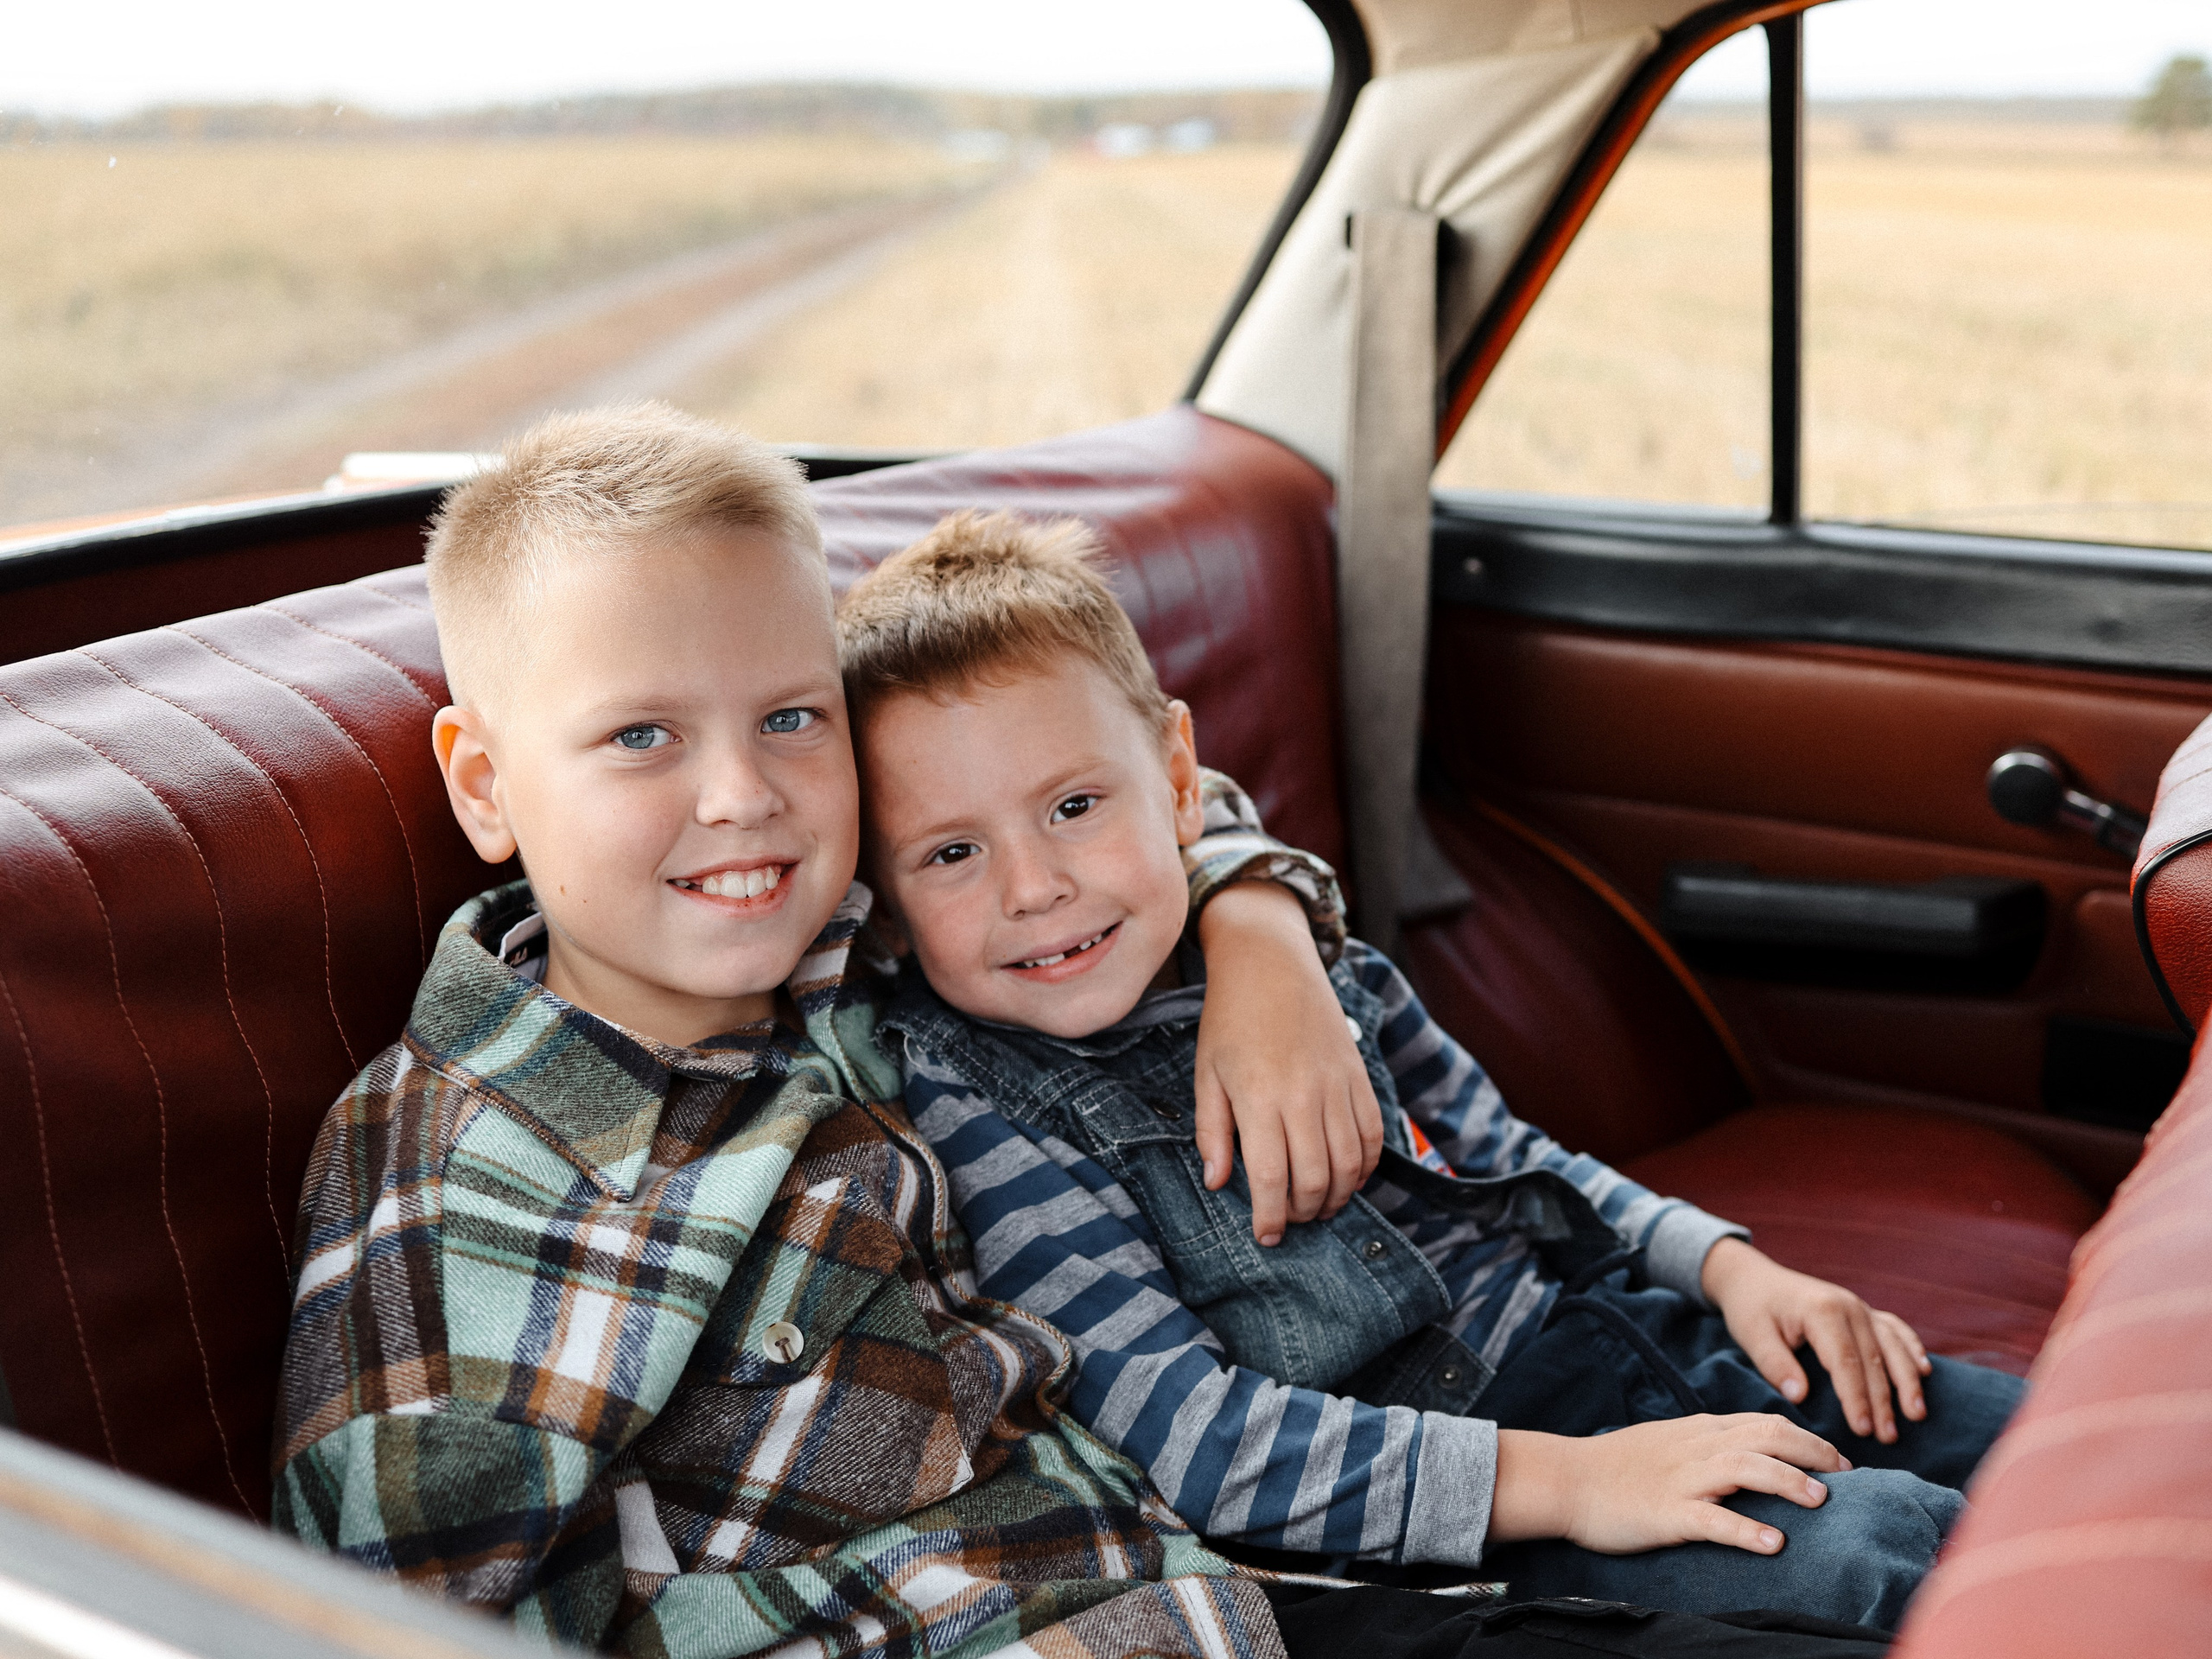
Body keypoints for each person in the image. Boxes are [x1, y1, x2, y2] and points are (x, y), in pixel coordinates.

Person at [270, 404, 1389, 1659]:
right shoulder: (460, 1200)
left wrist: (1258, 935)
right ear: (486, 785)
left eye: (792, 719)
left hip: (1220, 1584)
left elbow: (1124, 803)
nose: (745, 796)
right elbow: (394, 1627)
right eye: (643, 736)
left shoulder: (851, 927)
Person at [841, 511, 2030, 1637]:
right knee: (1884, 1553)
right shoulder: (980, 1118)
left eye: (1075, 805)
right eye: (951, 853)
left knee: (2045, 1439)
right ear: (882, 906)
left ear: (1178, 775)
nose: (1032, 887)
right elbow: (1198, 1442)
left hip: (1613, 1335)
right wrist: (1579, 1481)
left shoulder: (1298, 960)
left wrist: (1732, 1268)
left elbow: (1509, 1160)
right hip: (1461, 1500)